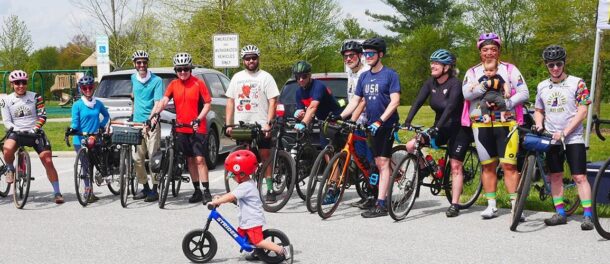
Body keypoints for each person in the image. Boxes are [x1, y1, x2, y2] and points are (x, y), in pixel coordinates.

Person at [462, 33, 529, 219]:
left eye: (493, 49)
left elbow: (524, 92)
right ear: (480, 53)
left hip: (506, 122)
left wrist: (507, 104)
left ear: (499, 51)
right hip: (481, 124)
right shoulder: (472, 72)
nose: (489, 53)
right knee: (488, 166)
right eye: (485, 50)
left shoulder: (510, 69)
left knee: (509, 166)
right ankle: (491, 205)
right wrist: (485, 86)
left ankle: (515, 206)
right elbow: (466, 94)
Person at [403, 49, 473, 217]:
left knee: (456, 166)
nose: (432, 65)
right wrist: (407, 121)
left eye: (436, 63)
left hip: (459, 129)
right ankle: (426, 169)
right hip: (440, 127)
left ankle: (455, 204)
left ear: (447, 67)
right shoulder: (430, 83)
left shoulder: (455, 84)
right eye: (432, 62)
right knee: (411, 145)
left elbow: (449, 108)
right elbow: (418, 101)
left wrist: (436, 127)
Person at [339, 37, 401, 218]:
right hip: (370, 125)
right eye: (366, 54)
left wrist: (380, 121)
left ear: (380, 54)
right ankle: (379, 197)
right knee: (376, 163)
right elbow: (356, 101)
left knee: (382, 163)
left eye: (371, 53)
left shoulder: (390, 75)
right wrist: (341, 116)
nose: (367, 57)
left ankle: (381, 203)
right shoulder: (364, 76)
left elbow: (395, 101)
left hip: (386, 124)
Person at [534, 45, 594, 230]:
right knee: (556, 175)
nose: (555, 68)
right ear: (546, 65)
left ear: (564, 63)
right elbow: (539, 109)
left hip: (573, 137)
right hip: (552, 137)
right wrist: (539, 124)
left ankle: (588, 216)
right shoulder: (542, 86)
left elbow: (583, 111)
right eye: (551, 65)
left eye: (558, 64)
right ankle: (560, 213)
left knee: (579, 176)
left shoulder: (577, 83)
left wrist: (566, 132)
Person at [209, 150, 292, 261]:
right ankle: (257, 252)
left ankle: (282, 250)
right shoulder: (245, 184)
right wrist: (221, 198)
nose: (232, 177)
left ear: (242, 174)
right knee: (242, 236)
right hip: (247, 220)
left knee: (257, 241)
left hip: (252, 221)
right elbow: (233, 196)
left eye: (233, 175)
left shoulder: (246, 186)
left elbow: (232, 196)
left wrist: (217, 202)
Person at [156, 52, 213, 204]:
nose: (182, 72)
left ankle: (206, 191)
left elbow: (207, 103)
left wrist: (199, 118)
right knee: (190, 160)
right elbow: (164, 100)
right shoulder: (173, 84)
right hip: (182, 128)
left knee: (200, 159)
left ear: (190, 69)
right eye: (179, 69)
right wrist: (155, 114)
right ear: (176, 70)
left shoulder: (198, 83)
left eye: (185, 69)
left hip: (197, 127)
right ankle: (197, 191)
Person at [225, 45, 279, 202]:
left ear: (258, 59)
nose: (251, 61)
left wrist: (269, 123)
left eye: (253, 58)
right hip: (242, 125)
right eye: (247, 58)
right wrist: (229, 124)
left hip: (261, 123)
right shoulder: (237, 78)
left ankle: (269, 188)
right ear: (243, 61)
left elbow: (273, 101)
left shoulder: (265, 77)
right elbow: (230, 101)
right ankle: (244, 190)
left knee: (265, 155)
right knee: (241, 158)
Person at [0, 70, 64, 204]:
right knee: (7, 148)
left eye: (23, 82)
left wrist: (35, 128)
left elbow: (42, 115)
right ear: (12, 84)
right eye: (17, 83)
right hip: (16, 131)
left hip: (34, 132)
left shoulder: (36, 97)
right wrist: (17, 130)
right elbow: (6, 121)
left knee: (47, 159)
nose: (21, 85)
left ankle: (57, 192)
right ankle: (10, 169)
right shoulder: (6, 100)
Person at [342, 40, 375, 209]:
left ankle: (376, 194)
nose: (348, 59)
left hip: (368, 123)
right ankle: (369, 192)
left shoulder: (365, 72)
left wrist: (351, 119)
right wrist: (341, 116)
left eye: (351, 56)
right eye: (345, 56)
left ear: (360, 56)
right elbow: (352, 99)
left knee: (370, 161)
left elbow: (363, 100)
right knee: (361, 160)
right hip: (357, 123)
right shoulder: (351, 73)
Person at [66, 75, 110, 203]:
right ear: (81, 89)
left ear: (93, 88)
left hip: (94, 137)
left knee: (97, 162)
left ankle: (98, 180)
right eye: (84, 88)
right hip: (80, 139)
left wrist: (101, 126)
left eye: (90, 87)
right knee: (85, 165)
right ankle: (87, 189)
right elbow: (75, 122)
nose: (87, 90)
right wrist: (72, 129)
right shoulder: (77, 105)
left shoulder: (98, 104)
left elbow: (106, 116)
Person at [129, 50, 164, 202]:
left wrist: (151, 121)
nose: (141, 65)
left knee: (153, 155)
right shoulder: (133, 78)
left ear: (147, 63)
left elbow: (157, 103)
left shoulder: (157, 81)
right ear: (134, 64)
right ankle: (145, 187)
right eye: (138, 62)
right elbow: (135, 97)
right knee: (137, 157)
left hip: (151, 123)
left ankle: (155, 188)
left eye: (144, 62)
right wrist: (132, 114)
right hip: (137, 123)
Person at [292, 60, 342, 147]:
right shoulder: (298, 93)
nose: (301, 79)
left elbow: (312, 107)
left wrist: (303, 123)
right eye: (297, 77)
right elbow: (303, 112)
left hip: (336, 118)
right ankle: (330, 161)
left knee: (336, 147)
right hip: (322, 121)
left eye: (304, 76)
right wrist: (299, 115)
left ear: (309, 75)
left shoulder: (318, 86)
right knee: (325, 147)